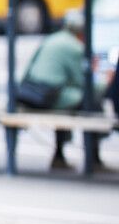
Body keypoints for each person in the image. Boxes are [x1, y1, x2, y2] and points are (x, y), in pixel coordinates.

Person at [20, 9, 105, 170]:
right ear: (82, 33)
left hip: (31, 93)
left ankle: (59, 155)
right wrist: (107, 79)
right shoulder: (75, 47)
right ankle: (94, 158)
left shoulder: (52, 38)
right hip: (47, 95)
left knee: (69, 101)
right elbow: (85, 83)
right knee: (89, 101)